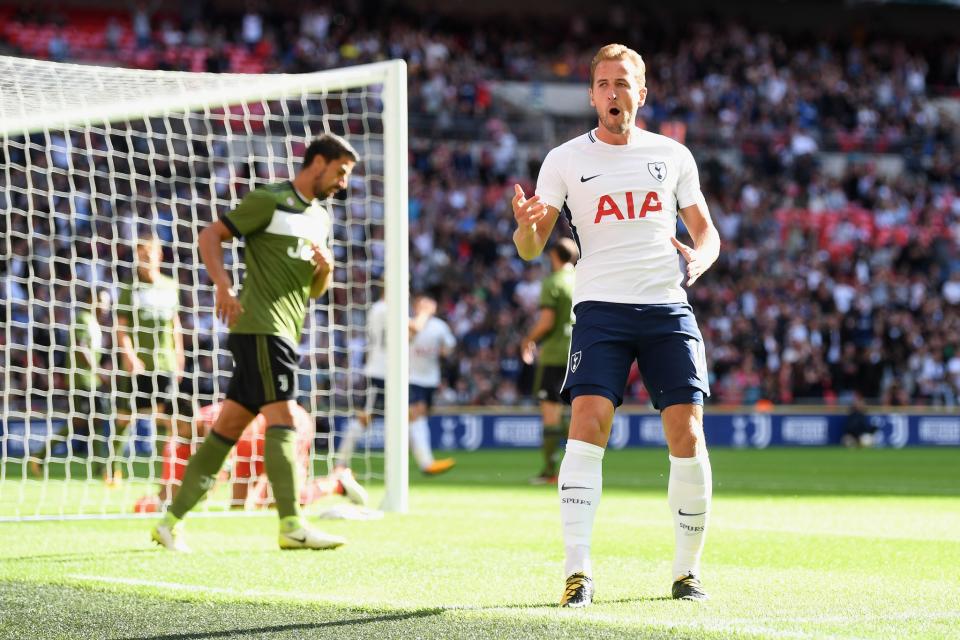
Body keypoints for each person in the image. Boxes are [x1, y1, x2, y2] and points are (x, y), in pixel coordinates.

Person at [512, 44, 721, 606]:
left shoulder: (672, 155)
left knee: (689, 432)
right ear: (591, 94)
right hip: (600, 309)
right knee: (588, 421)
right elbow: (532, 247)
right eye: (604, 84)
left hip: (666, 308)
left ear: (641, 93)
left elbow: (707, 230)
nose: (613, 93)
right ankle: (577, 572)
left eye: (623, 84)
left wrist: (702, 254)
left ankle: (687, 573)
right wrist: (527, 229)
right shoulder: (563, 159)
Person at [151, 132, 359, 552]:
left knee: (226, 431)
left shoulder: (321, 218)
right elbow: (211, 235)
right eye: (340, 172)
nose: (343, 183)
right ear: (317, 163)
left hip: (282, 330)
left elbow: (314, 291)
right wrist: (223, 287)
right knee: (283, 419)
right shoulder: (269, 199)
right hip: (262, 329)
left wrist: (326, 270)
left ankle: (170, 522)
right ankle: (291, 525)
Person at [134, 401, 366, 512]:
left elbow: (235, 470)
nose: (171, 433)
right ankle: (337, 483)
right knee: (253, 507)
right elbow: (168, 492)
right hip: (258, 443)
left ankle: (336, 483)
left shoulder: (221, 425)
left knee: (283, 501)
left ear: (189, 420)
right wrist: (155, 503)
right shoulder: (180, 441)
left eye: (172, 427)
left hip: (289, 425)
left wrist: (245, 500)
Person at [113, 233, 187, 483]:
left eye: (148, 254)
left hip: (164, 362)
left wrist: (180, 355)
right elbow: (121, 326)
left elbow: (175, 324)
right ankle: (112, 466)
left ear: (159, 256)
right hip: (139, 363)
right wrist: (129, 354)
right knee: (125, 417)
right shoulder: (129, 288)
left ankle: (165, 470)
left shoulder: (170, 285)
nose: (144, 259)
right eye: (140, 254)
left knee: (167, 418)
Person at [29, 286, 108, 476]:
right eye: (103, 301)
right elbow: (81, 347)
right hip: (81, 379)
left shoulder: (94, 323)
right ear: (92, 299)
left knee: (96, 420)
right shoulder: (82, 319)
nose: (106, 306)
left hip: (91, 380)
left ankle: (100, 467)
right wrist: (98, 371)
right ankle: (40, 456)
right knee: (80, 422)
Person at [522, 238, 578, 484]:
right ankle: (577, 468)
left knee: (551, 413)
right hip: (579, 352)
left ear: (554, 255)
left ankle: (551, 471)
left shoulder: (553, 282)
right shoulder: (581, 281)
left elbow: (546, 322)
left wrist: (527, 339)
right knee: (571, 411)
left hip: (555, 353)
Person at [332, 288, 385, 482]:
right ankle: (340, 463)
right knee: (365, 417)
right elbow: (414, 329)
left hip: (388, 371)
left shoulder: (378, 310)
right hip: (380, 372)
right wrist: (425, 314)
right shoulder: (385, 309)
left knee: (412, 412)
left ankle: (425, 461)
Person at [408, 293, 457, 475]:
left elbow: (449, 347)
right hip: (411, 377)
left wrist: (443, 351)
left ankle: (418, 457)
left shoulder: (439, 327)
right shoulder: (409, 323)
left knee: (418, 418)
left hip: (430, 379)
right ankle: (427, 462)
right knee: (417, 414)